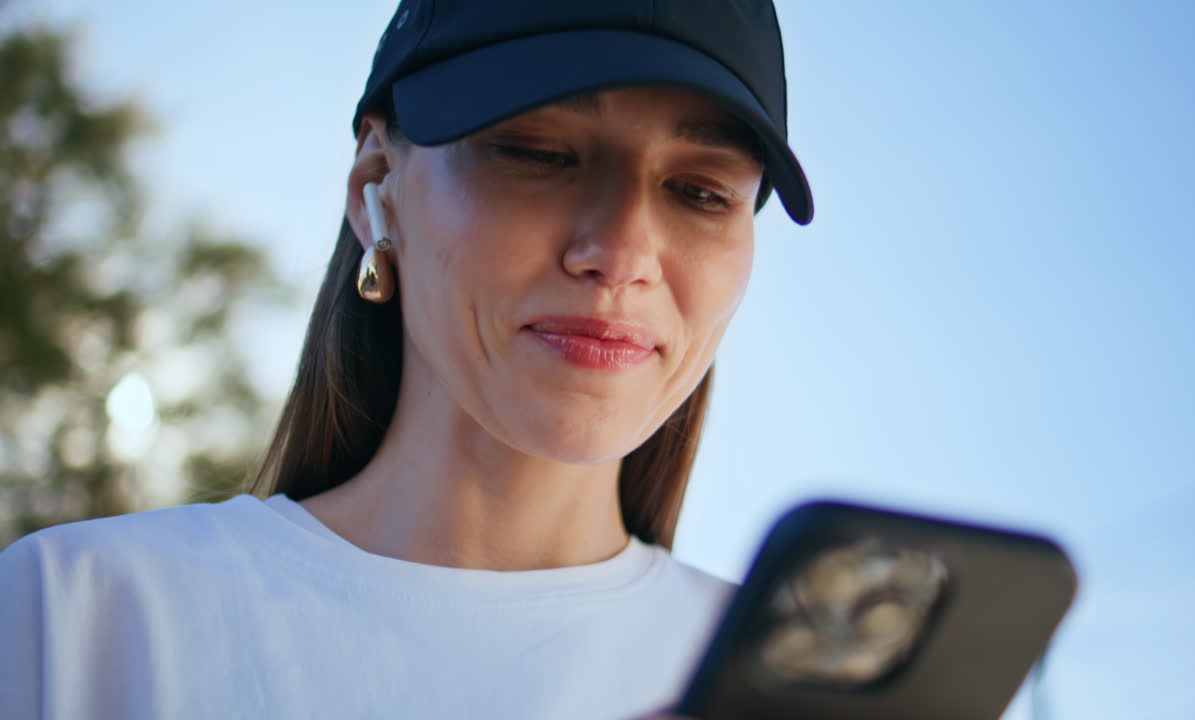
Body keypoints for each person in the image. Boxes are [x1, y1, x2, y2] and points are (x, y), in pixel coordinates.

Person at [0, 1, 813, 717]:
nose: (622, 252)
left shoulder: (797, 696)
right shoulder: (74, 618)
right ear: (376, 185)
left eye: (703, 193)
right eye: (539, 153)